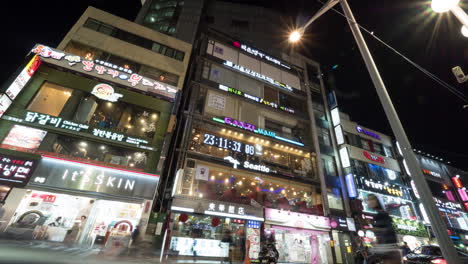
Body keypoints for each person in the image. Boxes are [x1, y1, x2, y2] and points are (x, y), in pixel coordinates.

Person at [366, 194, 401, 264]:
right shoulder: (380, 214)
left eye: (371, 199)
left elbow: (385, 230)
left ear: (377, 201)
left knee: (369, 260)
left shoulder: (381, 214)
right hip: (387, 248)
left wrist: (371, 229)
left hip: (388, 248)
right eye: (368, 200)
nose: (369, 202)